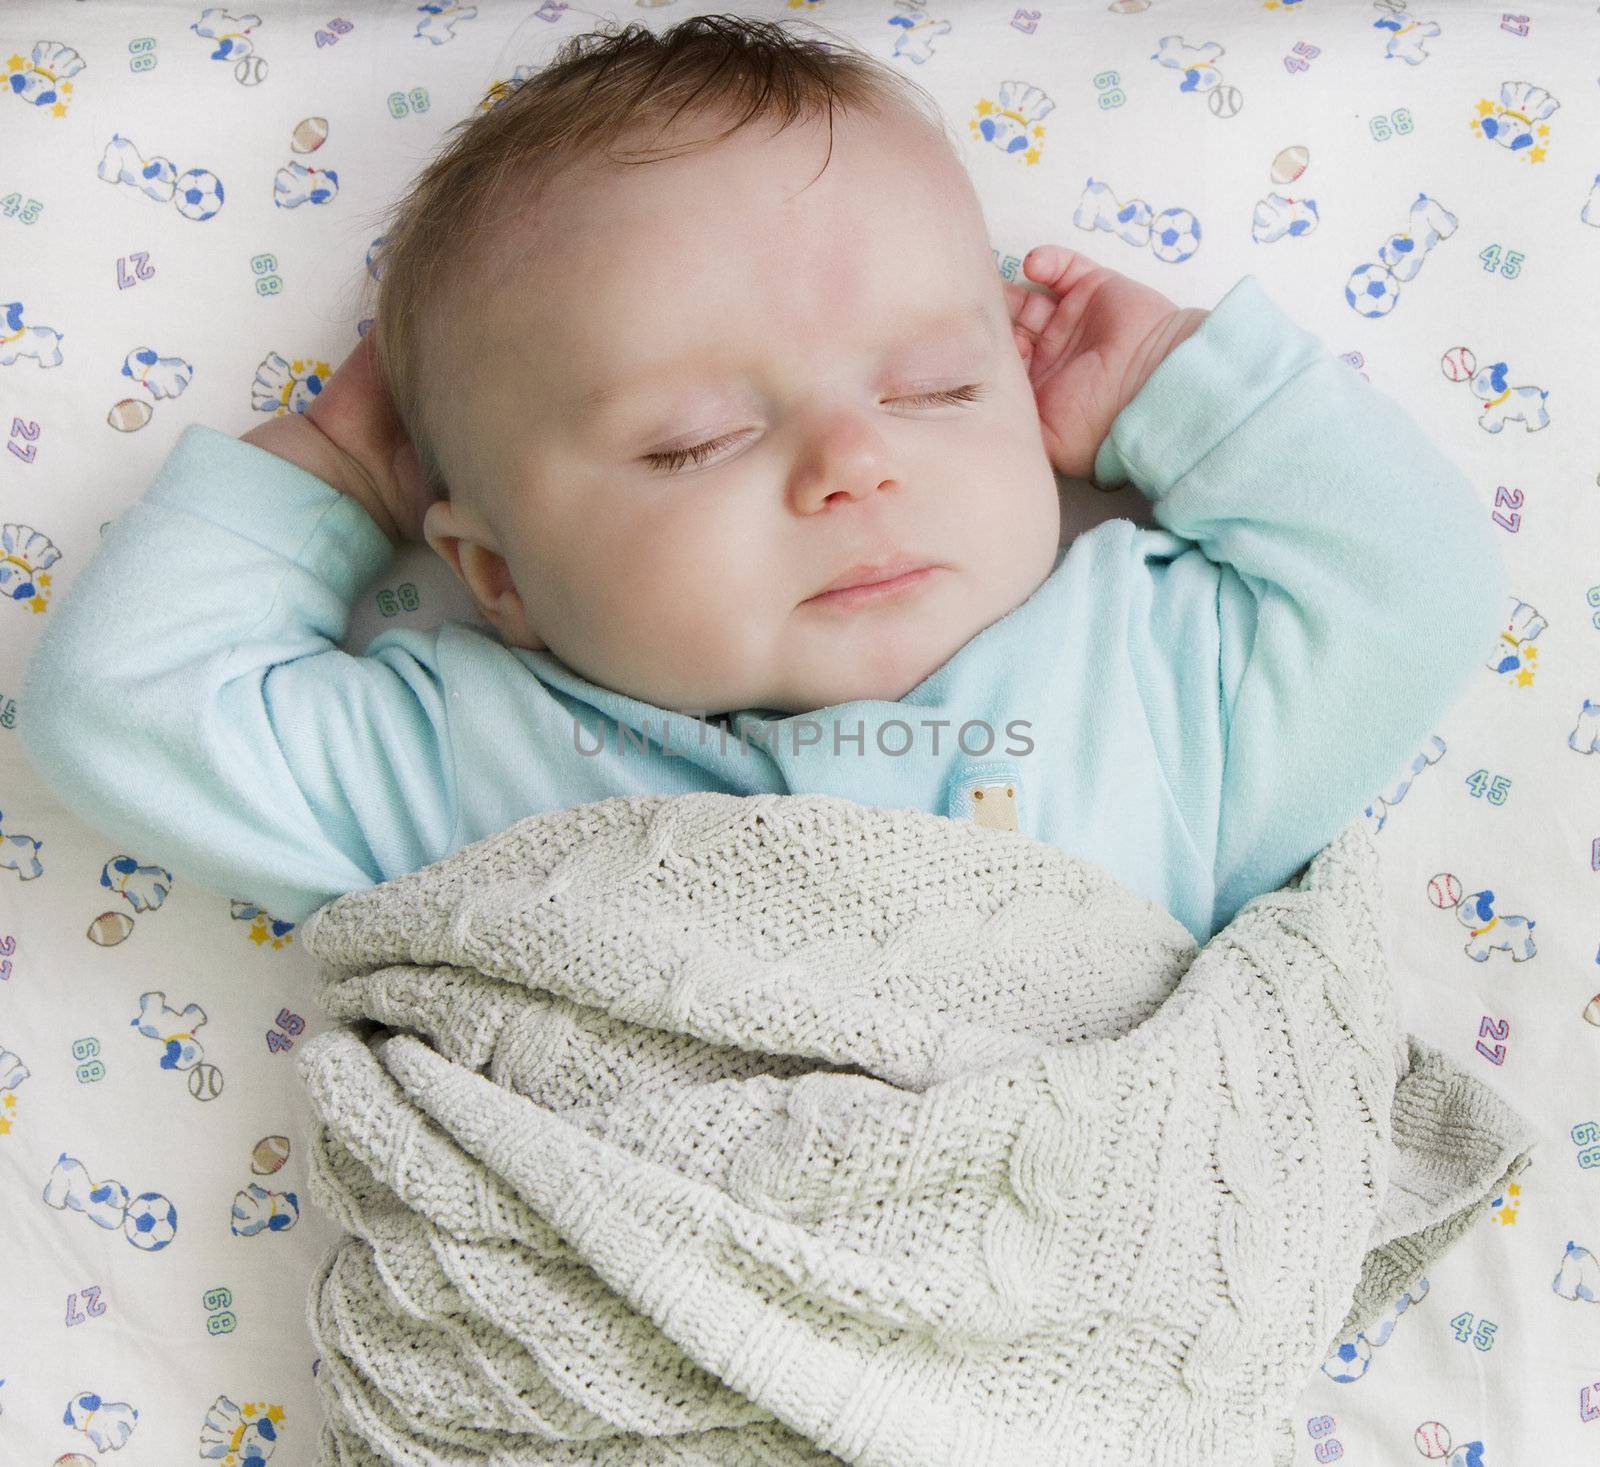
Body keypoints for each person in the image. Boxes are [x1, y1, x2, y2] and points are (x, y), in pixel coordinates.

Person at [18, 17, 1506, 945]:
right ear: (496, 576)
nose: (857, 463)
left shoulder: (1148, 683)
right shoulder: (475, 759)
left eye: (937, 391)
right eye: (694, 444)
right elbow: (124, 713)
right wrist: (332, 477)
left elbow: (1411, 581)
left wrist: (1177, 382)